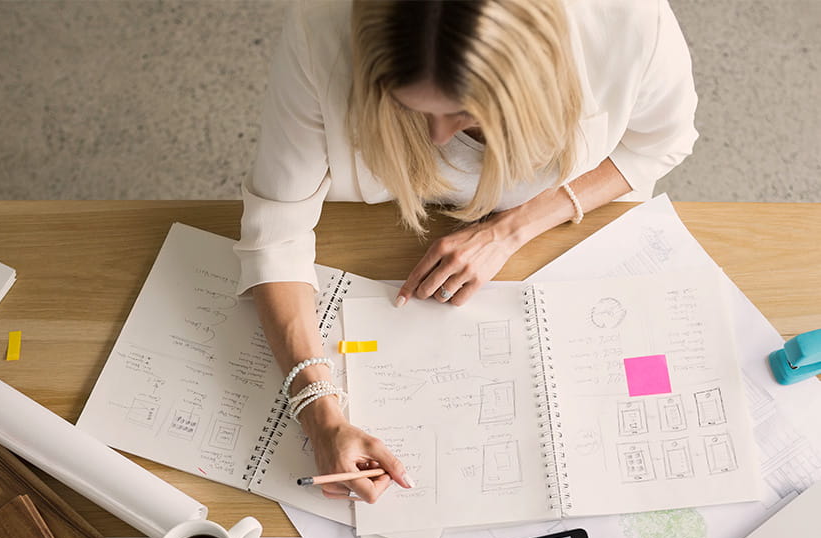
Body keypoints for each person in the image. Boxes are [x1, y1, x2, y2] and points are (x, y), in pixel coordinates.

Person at [236, 0, 698, 503]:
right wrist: (322, 414)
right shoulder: (319, 29)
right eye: (410, 106)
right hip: (373, 228)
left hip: (566, 232)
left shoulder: (631, 20)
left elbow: (658, 144)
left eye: (464, 113)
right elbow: (276, 233)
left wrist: (511, 229)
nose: (437, 136)